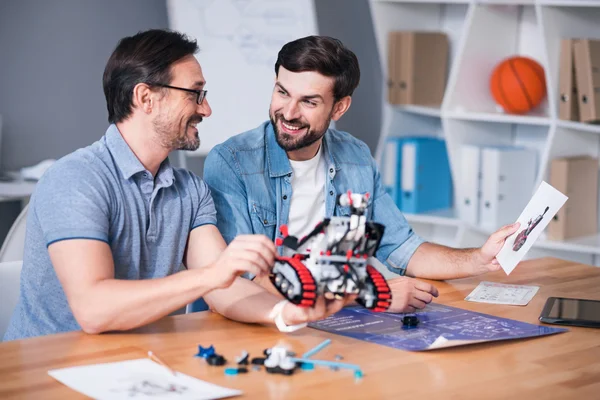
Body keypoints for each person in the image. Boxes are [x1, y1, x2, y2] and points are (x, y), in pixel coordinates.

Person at [2, 30, 351, 342]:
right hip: (48, 375)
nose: (207, 109)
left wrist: (286, 313)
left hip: (142, 369)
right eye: (195, 94)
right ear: (145, 98)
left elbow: (223, 291)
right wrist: (213, 275)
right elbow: (94, 311)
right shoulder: (76, 179)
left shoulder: (189, 191)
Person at [203, 35, 520, 313]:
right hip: (259, 326)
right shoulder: (231, 163)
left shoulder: (355, 157)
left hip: (334, 323)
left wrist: (478, 258)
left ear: (339, 108)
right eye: (282, 92)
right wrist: (370, 293)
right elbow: (245, 282)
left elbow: (401, 247)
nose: (288, 112)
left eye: (308, 102)